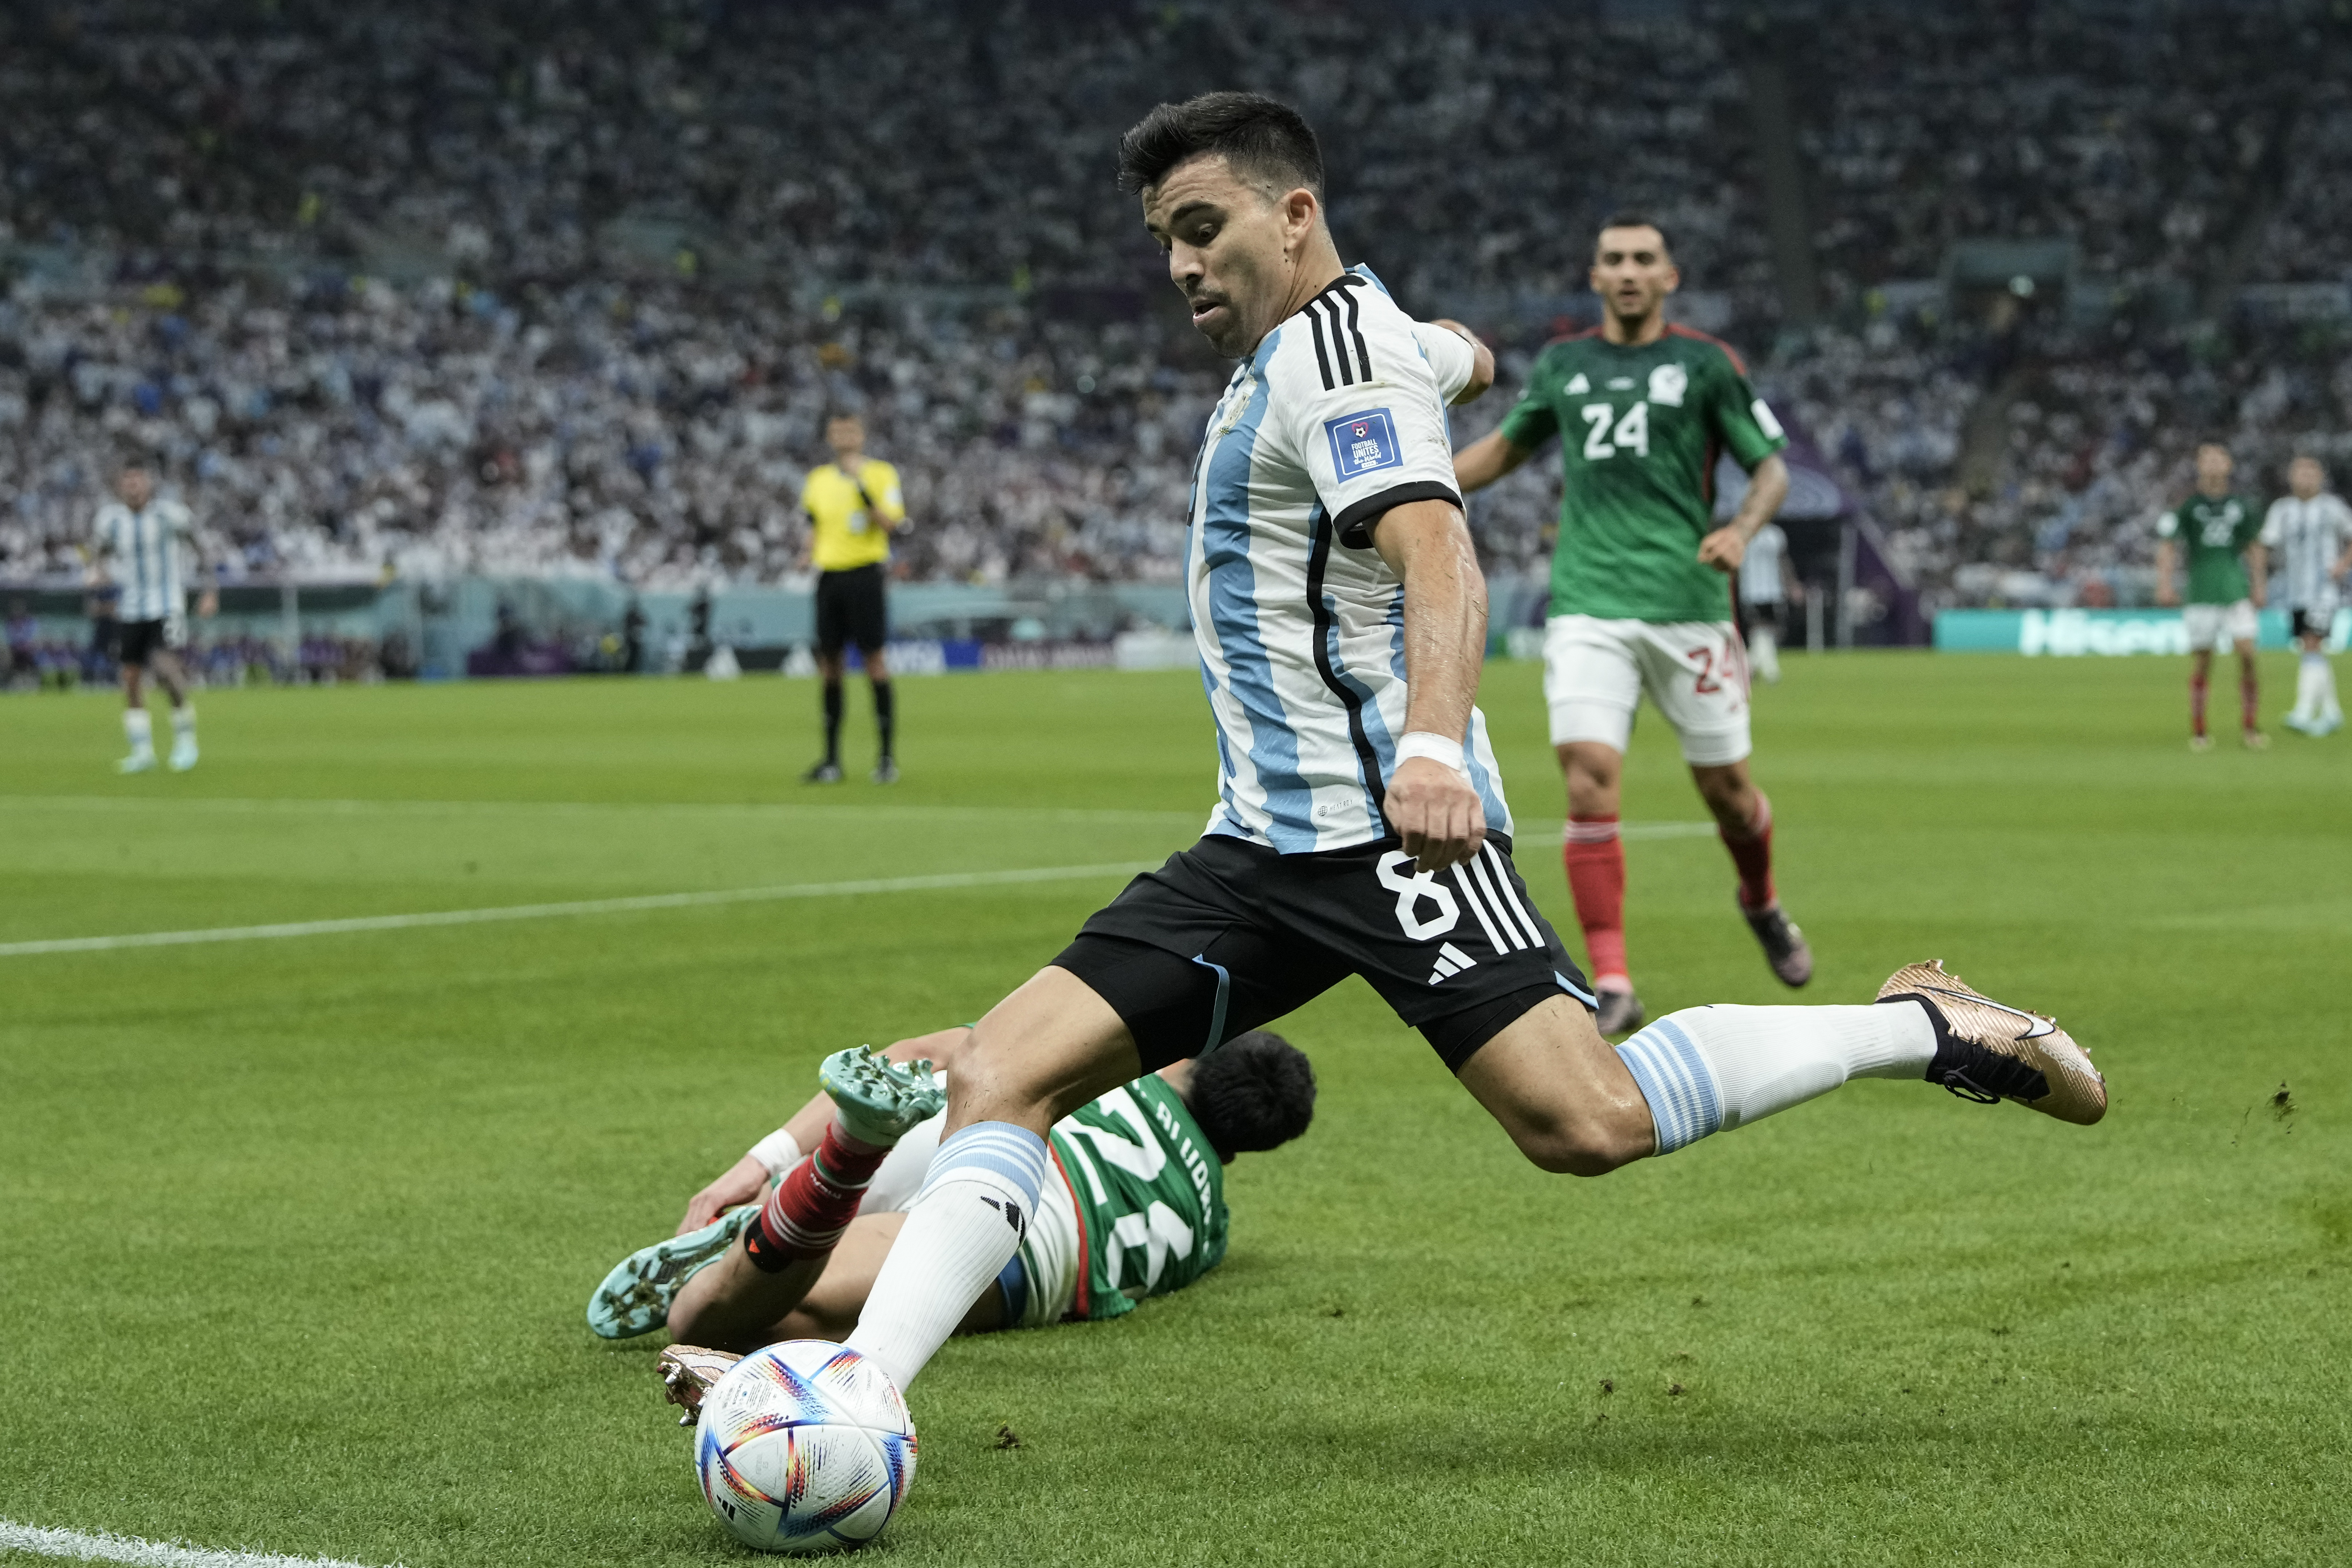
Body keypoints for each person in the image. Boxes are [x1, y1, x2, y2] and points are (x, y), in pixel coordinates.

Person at [787, 98, 2101, 1529]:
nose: (1179, 263)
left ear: (1296, 214)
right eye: (1165, 238)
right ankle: (861, 1387)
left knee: (1585, 1119)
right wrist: (1459, 356)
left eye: (1202, 226)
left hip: (1379, 830)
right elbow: (1454, 355)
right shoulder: (1349, 346)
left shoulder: (1335, 361)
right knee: (1004, 1070)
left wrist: (1429, 746)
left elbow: (1440, 551)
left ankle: (1922, 1021)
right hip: (1256, 843)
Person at [1452, 216, 1808, 1035]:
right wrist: (1407, 486)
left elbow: (1772, 467)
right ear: (1595, 275)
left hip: (1689, 602)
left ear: (1669, 277)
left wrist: (1743, 529)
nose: (1628, 272)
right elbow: (1505, 450)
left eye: (1644, 259)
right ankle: (1612, 978)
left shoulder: (1708, 363)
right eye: (1613, 259)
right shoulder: (1565, 364)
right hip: (1588, 602)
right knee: (1586, 777)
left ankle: (1760, 898)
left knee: (1727, 790)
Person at [587, 1029, 1315, 1394]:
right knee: (714, 1320)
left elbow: (906, 1051)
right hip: (1031, 1239)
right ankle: (820, 1197)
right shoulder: (1206, 1224)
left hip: (977, 1131)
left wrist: (759, 1160)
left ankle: (809, 1177)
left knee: (958, 1068)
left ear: (1188, 1063)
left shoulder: (1116, 1066)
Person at [800, 412, 908, 784]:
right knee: (829, 666)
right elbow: (814, 524)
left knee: (874, 662)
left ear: (862, 435)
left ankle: (886, 759)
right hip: (829, 577)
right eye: (837, 431)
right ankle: (831, 760)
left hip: (865, 573)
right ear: (830, 436)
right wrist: (805, 553)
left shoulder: (880, 474)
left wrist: (863, 492)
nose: (844, 436)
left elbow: (892, 524)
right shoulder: (818, 479)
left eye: (850, 430)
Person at [88, 461, 213, 773]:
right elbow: (99, 554)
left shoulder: (169, 515)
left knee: (163, 668)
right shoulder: (110, 521)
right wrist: (97, 573)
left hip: (167, 604)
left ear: (148, 484)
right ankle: (142, 752)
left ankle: (186, 742)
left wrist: (211, 590)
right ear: (120, 486)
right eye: (127, 481)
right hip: (130, 607)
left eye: (138, 480)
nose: (133, 486)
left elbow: (201, 547)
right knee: (130, 678)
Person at [2155, 442, 2268, 752]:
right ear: (2199, 465)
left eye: (2220, 458)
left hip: (2235, 590)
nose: (2214, 464)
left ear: (2229, 465)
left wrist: (2260, 584)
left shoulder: (2243, 506)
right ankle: (2200, 730)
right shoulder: (2188, 506)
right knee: (2204, 662)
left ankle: (2250, 727)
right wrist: (2164, 583)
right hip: (2201, 592)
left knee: (2247, 653)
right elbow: (2168, 545)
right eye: (2208, 459)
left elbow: (2254, 546)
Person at [2259, 455, 2352, 737]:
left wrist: (2342, 565)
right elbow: (2266, 543)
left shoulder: (2332, 508)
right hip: (2294, 591)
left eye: (2311, 473)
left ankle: (2303, 711)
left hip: (2324, 590)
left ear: (2321, 477)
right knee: (2311, 647)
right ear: (2291, 478)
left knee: (2312, 643)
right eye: (2300, 473)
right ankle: (2332, 712)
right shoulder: (2282, 509)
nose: (2306, 478)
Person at [1738, 520, 1797, 685]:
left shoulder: (1776, 534)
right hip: (1751, 591)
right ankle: (1771, 672)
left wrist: (1791, 585)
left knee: (1771, 632)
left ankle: (1749, 666)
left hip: (1773, 591)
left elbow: (1783, 561)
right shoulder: (1744, 534)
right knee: (1760, 630)